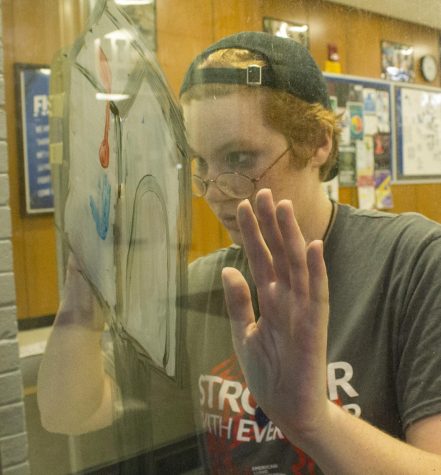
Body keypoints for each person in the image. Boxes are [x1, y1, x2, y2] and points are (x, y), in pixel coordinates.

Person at [38, 31, 441, 474]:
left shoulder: (412, 262)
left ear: (318, 142)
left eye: (240, 159)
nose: (217, 192)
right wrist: (82, 299)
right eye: (201, 166)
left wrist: (314, 420)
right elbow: (71, 412)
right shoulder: (206, 286)